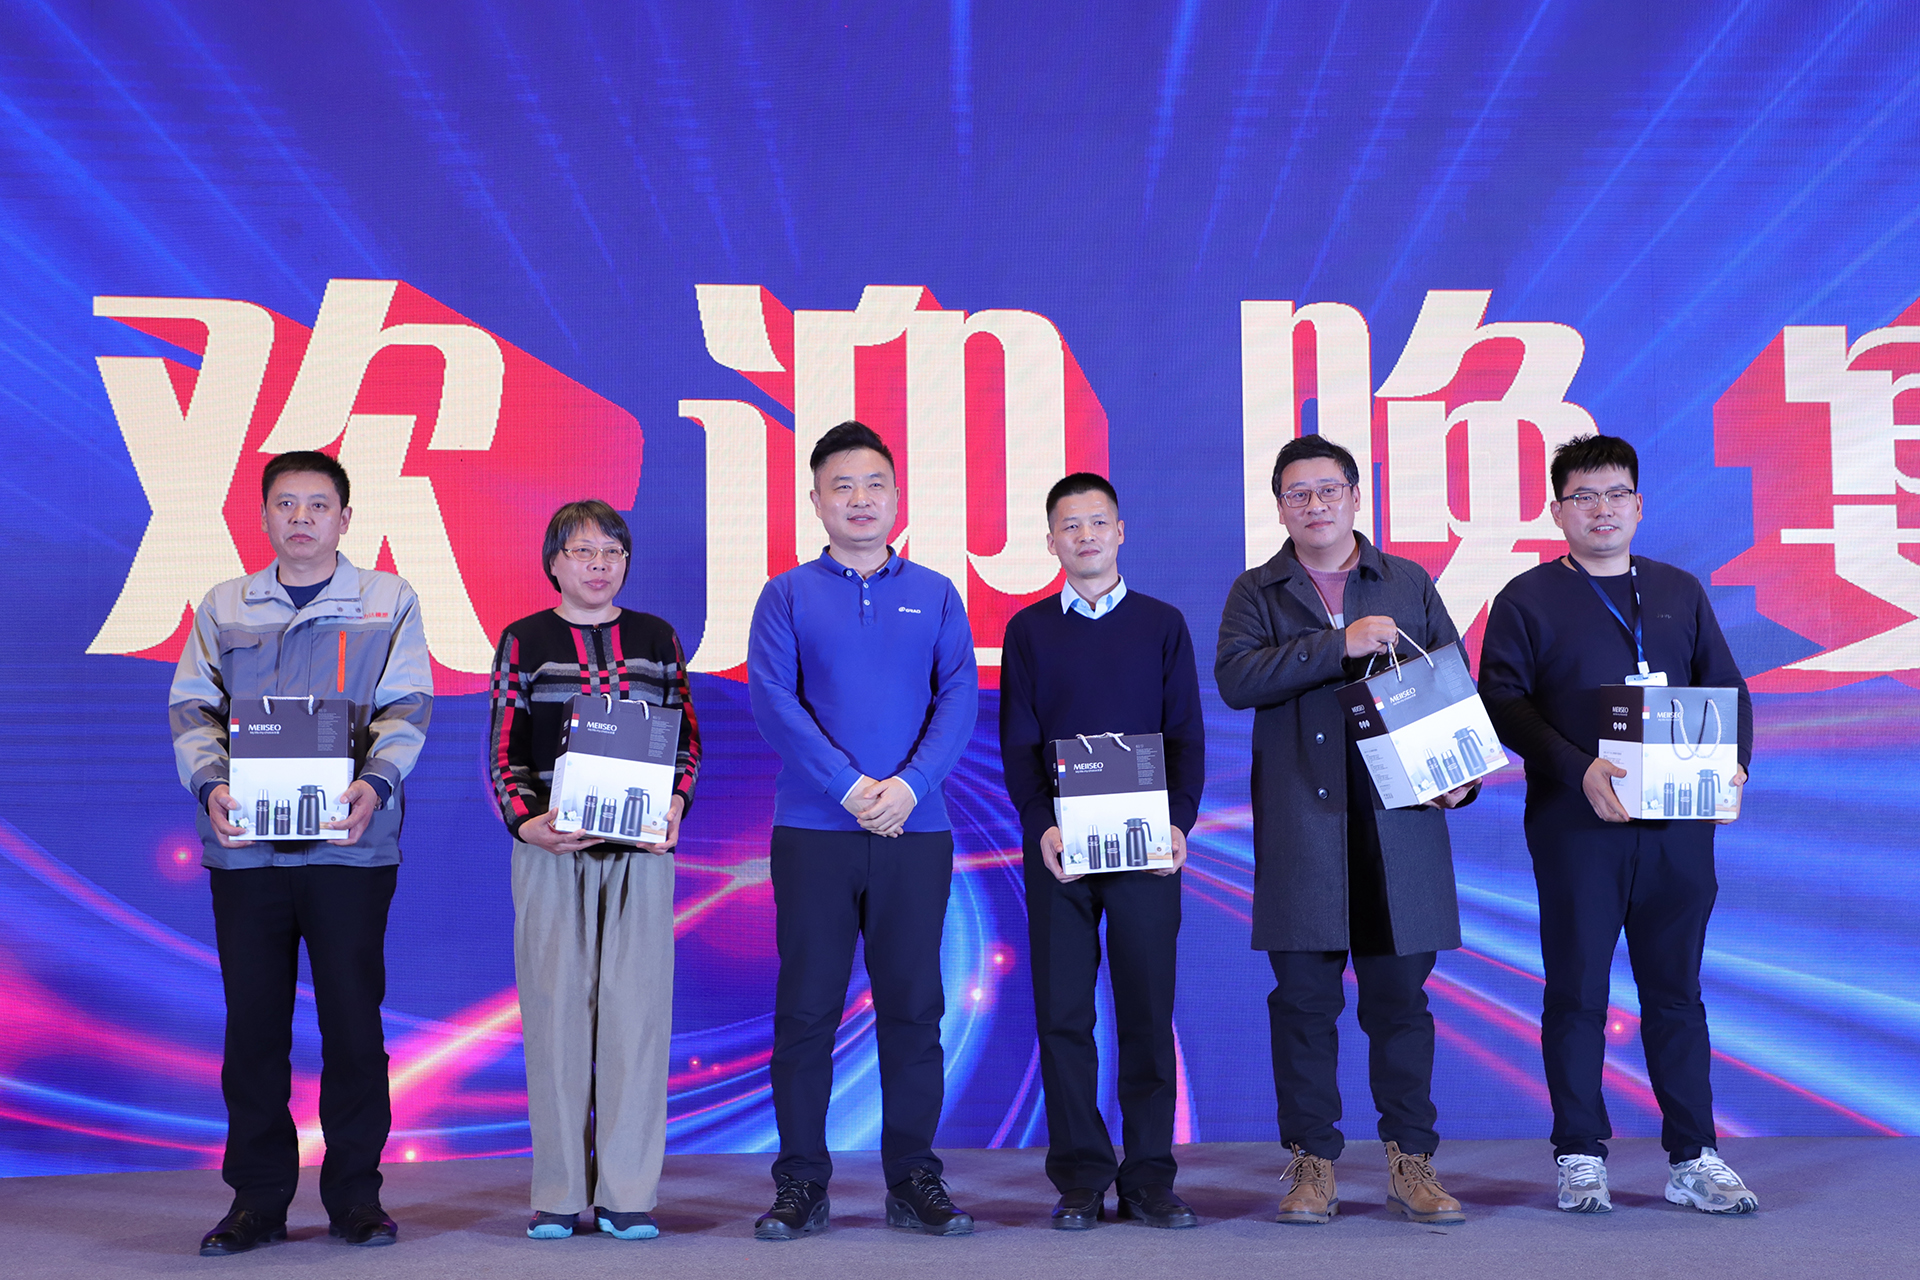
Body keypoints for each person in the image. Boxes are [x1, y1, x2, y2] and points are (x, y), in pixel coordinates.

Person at [1478, 434, 1757, 1216]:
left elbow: (1726, 688)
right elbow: (1503, 702)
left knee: (1677, 994)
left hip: (1677, 829)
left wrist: (1734, 766)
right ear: (1557, 510)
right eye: (1584, 497)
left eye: (1616, 495)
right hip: (1577, 825)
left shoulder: (1677, 590)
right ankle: (1579, 1154)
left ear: (1639, 505)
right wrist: (1580, 769)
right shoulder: (1527, 598)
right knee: (1577, 992)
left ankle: (1694, 1156)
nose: (1602, 510)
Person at [170, 450, 432, 1255]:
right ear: (263, 517)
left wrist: (376, 784)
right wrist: (211, 786)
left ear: (345, 519)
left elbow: (407, 704)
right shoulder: (224, 605)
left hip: (349, 847)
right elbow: (192, 708)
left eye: (319, 505)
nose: (302, 518)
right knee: (253, 1029)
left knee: (353, 1025)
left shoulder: (388, 600)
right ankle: (257, 1203)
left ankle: (356, 1197)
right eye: (286, 504)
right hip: (247, 851)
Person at [1215, 435, 1474, 1227]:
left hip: (1400, 824)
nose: (1315, 505)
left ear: (1357, 497)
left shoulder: (1407, 581)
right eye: (1298, 494)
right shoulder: (1257, 589)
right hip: (1304, 824)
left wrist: (1460, 775)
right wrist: (1339, 644)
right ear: (1280, 508)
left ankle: (1411, 1162)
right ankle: (1312, 1164)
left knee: (1401, 1005)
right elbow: (1237, 679)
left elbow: (1452, 682)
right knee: (1302, 1005)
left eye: (1329, 490)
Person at [745, 420, 979, 1240]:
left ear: (896, 496)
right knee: (807, 1010)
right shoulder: (786, 595)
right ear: (815, 501)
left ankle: (914, 1177)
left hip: (917, 829)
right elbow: (773, 700)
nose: (859, 499)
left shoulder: (937, 593)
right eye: (841, 485)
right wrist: (848, 787)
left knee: (914, 1008)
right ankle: (801, 1183)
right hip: (814, 831)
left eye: (874, 483)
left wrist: (909, 786)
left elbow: (959, 696)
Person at [487, 500, 701, 1241]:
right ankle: (558, 1193)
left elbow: (685, 741)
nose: (598, 564)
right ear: (554, 561)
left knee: (637, 1019)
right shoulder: (525, 639)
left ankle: (627, 1193)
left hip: (640, 856)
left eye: (611, 552)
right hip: (553, 852)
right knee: (554, 1020)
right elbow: (504, 749)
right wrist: (528, 822)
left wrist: (675, 805)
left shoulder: (656, 638)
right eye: (582, 551)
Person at [999, 472, 1206, 1230]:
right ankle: (1082, 1176)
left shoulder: (1162, 624)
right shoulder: (1029, 631)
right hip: (1060, 849)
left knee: (1147, 1014)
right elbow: (1018, 743)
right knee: (1063, 1016)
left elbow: (1186, 737)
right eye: (1070, 526)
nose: (1084, 536)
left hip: (1146, 846)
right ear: (1051, 540)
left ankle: (1149, 1176)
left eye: (1097, 523)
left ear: (1121, 532)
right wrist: (1040, 826)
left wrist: (1178, 823)